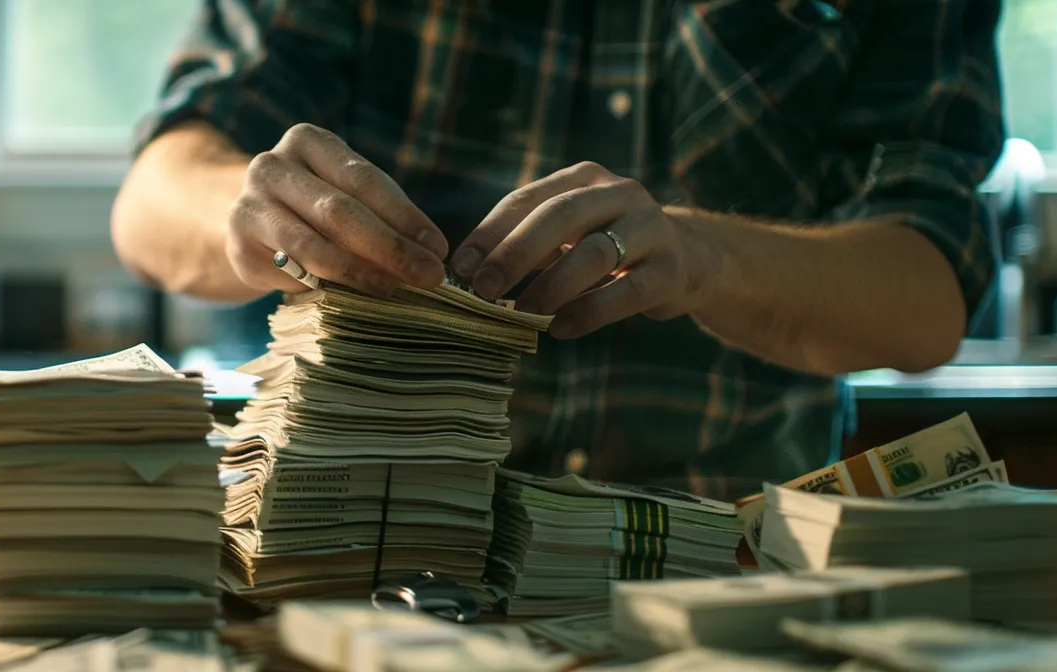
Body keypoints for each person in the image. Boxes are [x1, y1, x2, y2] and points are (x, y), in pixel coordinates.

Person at [111, 0, 1004, 499]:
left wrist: (702, 256)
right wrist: (254, 208)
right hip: (371, 558)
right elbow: (150, 205)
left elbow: (926, 295)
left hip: (723, 576)